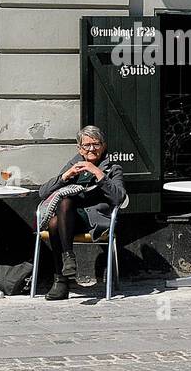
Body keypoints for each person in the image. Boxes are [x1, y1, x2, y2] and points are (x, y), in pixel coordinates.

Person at [35, 125, 127, 301]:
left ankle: (61, 280)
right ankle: (67, 259)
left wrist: (98, 174)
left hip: (96, 220)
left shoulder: (113, 168)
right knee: (63, 206)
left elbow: (119, 198)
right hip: (70, 221)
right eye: (87, 145)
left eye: (96, 144)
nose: (92, 148)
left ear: (103, 146)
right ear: (80, 149)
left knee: (56, 221)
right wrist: (65, 177)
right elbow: (42, 192)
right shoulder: (74, 165)